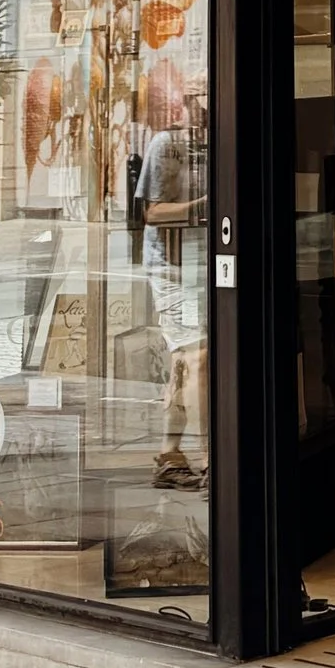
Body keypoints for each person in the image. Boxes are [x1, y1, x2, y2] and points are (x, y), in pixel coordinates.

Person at [135, 62, 204, 489]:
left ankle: (170, 451)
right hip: (172, 266)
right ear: (189, 103)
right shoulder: (168, 143)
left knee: (187, 360)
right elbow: (153, 212)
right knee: (196, 356)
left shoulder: (216, 141)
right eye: (202, 103)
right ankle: (211, 454)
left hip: (205, 262)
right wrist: (204, 206)